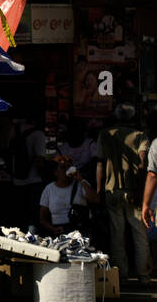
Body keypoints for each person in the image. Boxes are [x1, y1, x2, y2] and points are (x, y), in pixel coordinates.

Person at [96, 109, 152, 282]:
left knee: (117, 235)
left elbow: (100, 163)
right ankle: (144, 276)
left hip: (111, 191)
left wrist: (99, 191)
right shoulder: (140, 135)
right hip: (132, 191)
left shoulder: (105, 135)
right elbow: (143, 164)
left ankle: (121, 275)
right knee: (140, 235)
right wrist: (138, 189)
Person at [38, 156, 94, 236]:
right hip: (59, 232)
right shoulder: (49, 189)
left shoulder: (80, 184)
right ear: (55, 172)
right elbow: (42, 219)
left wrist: (81, 179)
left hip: (80, 231)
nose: (66, 170)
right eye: (63, 167)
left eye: (69, 167)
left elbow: (95, 199)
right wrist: (53, 229)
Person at [11, 118, 50, 227]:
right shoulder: (38, 135)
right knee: (34, 216)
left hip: (17, 180)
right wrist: (44, 177)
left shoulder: (16, 133)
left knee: (21, 215)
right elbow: (40, 159)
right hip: (34, 181)